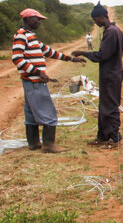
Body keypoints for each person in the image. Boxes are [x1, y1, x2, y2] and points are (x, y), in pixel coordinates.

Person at [12, 8, 85, 153]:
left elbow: (49, 52)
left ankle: (34, 143)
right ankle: (49, 145)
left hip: (32, 81)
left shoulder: (31, 36)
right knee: (48, 111)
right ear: (27, 19)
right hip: (34, 81)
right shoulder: (21, 36)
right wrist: (37, 72)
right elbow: (17, 58)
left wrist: (71, 59)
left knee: (31, 113)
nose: (39, 22)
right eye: (36, 19)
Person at [72, 2, 123, 148]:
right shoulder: (115, 30)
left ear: (101, 17)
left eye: (95, 20)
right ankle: (102, 137)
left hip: (111, 75)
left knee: (110, 106)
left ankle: (114, 138)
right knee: (104, 106)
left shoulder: (111, 32)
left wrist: (83, 53)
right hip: (111, 74)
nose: (95, 23)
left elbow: (102, 55)